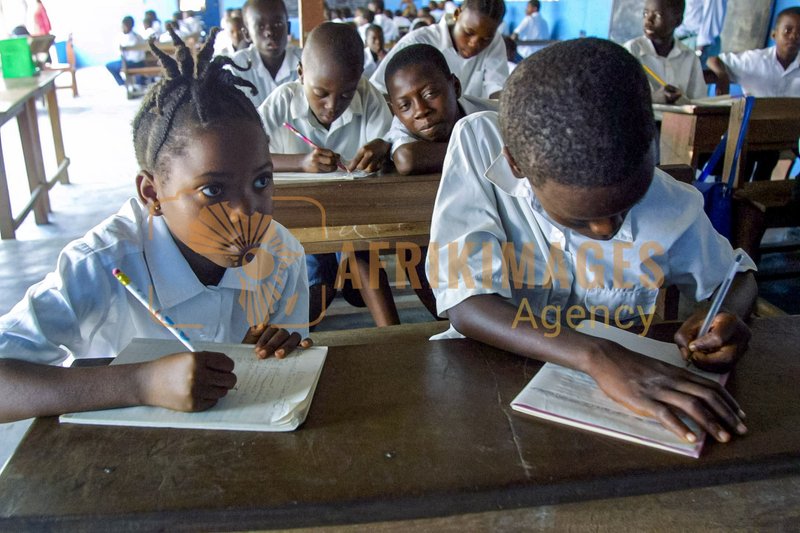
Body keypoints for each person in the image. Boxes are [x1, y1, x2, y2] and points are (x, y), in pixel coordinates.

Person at [427, 37, 757, 444]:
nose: (607, 230)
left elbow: (738, 278)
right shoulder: (480, 145)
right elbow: (467, 304)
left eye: (625, 207)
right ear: (517, 164)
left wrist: (726, 318)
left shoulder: (669, 202)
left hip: (606, 413)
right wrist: (597, 356)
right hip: (481, 378)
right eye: (580, 219)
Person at [0, 28, 311, 424]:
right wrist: (140, 383)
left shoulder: (280, 254)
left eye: (261, 181)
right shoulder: (101, 264)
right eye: (213, 189)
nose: (244, 212)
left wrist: (269, 353)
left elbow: (286, 371)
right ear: (151, 193)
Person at [258, 22, 397, 328]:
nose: (333, 106)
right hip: (301, 216)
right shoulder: (282, 103)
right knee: (317, 277)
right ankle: (293, 336)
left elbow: (392, 139)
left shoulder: (368, 96)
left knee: (361, 257)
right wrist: (299, 162)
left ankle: (395, 336)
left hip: (356, 211)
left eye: (346, 95)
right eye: (320, 94)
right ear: (300, 74)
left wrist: (383, 146)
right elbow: (248, 157)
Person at [707, 7, 800, 181]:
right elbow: (713, 60)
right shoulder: (755, 60)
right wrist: (722, 76)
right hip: (750, 134)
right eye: (788, 30)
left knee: (768, 163)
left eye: (799, 32)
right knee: (743, 165)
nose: (794, 36)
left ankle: (758, 197)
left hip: (785, 137)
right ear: (774, 34)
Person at [385, 43, 497, 175]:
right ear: (395, 111)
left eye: (430, 94)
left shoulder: (495, 114)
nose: (421, 111)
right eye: (404, 105)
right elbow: (407, 159)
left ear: (455, 87)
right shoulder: (400, 128)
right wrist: (490, 149)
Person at [370, 0, 509, 100]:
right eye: (468, 32)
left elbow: (497, 88)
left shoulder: (495, 41)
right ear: (457, 14)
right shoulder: (418, 41)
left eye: (485, 39)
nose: (474, 44)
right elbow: (378, 90)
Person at [624, 0, 707, 103]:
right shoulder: (631, 51)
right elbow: (620, 99)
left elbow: (699, 102)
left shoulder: (689, 57)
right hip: (643, 119)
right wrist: (653, 98)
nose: (648, 20)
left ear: (677, 21)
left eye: (658, 15)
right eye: (645, 13)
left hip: (678, 119)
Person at [230, 0, 301, 108]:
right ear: (247, 34)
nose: (270, 32)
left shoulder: (306, 61)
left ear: (288, 28)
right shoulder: (236, 68)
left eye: (278, 24)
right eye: (260, 26)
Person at [106, 16, 146, 88]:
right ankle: (124, 84)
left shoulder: (131, 38)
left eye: (123, 26)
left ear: (127, 26)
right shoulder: (138, 36)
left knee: (109, 65)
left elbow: (122, 51)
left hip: (132, 63)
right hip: (141, 62)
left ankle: (122, 84)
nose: (122, 28)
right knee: (116, 64)